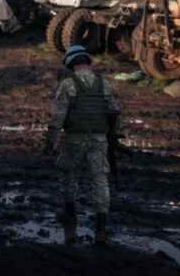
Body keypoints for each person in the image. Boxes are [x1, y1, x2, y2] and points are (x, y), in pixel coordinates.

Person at [43, 45, 121, 246]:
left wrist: (50, 142)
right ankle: (101, 228)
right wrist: (112, 137)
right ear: (87, 61)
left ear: (71, 64)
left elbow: (58, 117)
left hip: (74, 140)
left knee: (68, 176)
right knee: (100, 180)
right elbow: (114, 112)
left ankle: (70, 222)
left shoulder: (67, 85)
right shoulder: (105, 84)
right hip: (99, 140)